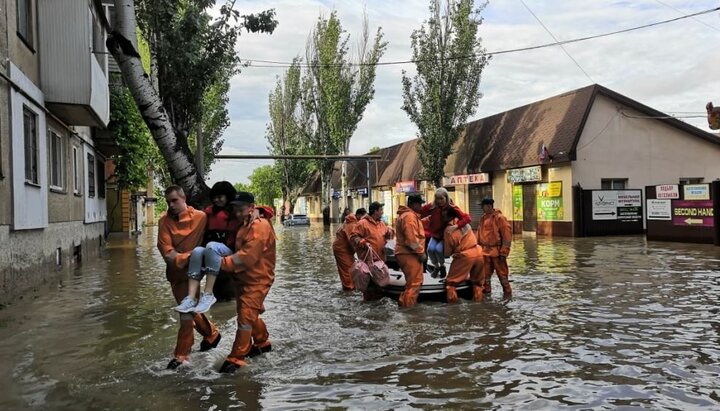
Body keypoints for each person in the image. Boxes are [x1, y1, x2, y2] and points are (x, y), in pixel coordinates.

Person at [157, 186, 221, 370]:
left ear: (184, 198)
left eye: (174, 200)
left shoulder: (201, 216)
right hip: (175, 273)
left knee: (185, 313)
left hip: (193, 274)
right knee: (191, 310)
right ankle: (212, 334)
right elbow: (167, 254)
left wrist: (260, 211)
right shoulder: (164, 221)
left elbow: (226, 214)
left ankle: (181, 355)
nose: (171, 205)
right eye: (168, 201)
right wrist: (193, 255)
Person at [218, 191, 277, 374]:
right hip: (245, 278)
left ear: (251, 208)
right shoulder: (246, 222)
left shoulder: (259, 226)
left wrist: (220, 263)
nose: (237, 212)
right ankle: (262, 342)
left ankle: (236, 359)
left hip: (257, 279)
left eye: (240, 209)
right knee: (248, 314)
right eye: (235, 209)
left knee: (245, 318)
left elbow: (247, 257)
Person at [174, 181, 238, 314]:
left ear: (228, 196)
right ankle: (191, 297)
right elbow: (191, 215)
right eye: (214, 197)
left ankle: (207, 294)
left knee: (211, 246)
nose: (217, 200)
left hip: (228, 252)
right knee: (197, 250)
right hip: (211, 253)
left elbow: (258, 209)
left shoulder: (236, 211)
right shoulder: (208, 213)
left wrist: (257, 211)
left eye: (220, 197)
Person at [420, 188, 472, 278]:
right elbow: (421, 211)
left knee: (438, 250)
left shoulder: (452, 207)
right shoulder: (433, 207)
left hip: (445, 236)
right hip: (435, 234)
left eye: (441, 199)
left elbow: (467, 218)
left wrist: (456, 226)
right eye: (437, 199)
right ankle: (436, 267)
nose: (439, 201)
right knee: (430, 250)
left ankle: (442, 266)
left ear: (446, 198)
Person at [350, 201, 394, 301]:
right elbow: (353, 237)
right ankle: (369, 304)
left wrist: (389, 233)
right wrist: (361, 242)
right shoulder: (362, 223)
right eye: (381, 210)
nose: (382, 212)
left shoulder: (382, 223)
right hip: (368, 261)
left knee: (380, 284)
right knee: (370, 286)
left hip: (380, 260)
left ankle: (378, 305)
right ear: (375, 211)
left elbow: (387, 235)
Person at [442, 207, 484, 303]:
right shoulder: (464, 223)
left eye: (443, 216)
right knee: (478, 284)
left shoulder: (448, 231)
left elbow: (447, 253)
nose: (442, 218)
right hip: (478, 252)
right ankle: (479, 306)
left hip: (465, 255)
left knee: (451, 284)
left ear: (449, 217)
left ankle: (453, 311)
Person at [394, 195, 427, 308]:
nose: (421, 206)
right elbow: (411, 239)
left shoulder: (408, 216)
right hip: (409, 254)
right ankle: (409, 310)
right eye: (419, 204)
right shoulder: (409, 217)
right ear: (413, 204)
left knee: (411, 284)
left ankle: (404, 305)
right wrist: (421, 252)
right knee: (414, 284)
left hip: (405, 253)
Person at [477, 197, 513, 298]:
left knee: (502, 276)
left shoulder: (499, 218)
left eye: (483, 206)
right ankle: (487, 294)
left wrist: (504, 252)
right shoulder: (483, 218)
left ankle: (507, 294)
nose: (482, 209)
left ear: (489, 206)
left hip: (497, 253)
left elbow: (507, 236)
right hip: (485, 252)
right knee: (485, 276)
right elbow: (479, 235)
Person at [332, 208, 367, 291]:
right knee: (347, 269)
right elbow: (352, 239)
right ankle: (349, 288)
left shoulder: (354, 222)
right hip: (341, 249)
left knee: (351, 267)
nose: (364, 220)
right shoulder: (352, 224)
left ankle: (351, 287)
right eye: (364, 217)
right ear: (358, 215)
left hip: (346, 249)